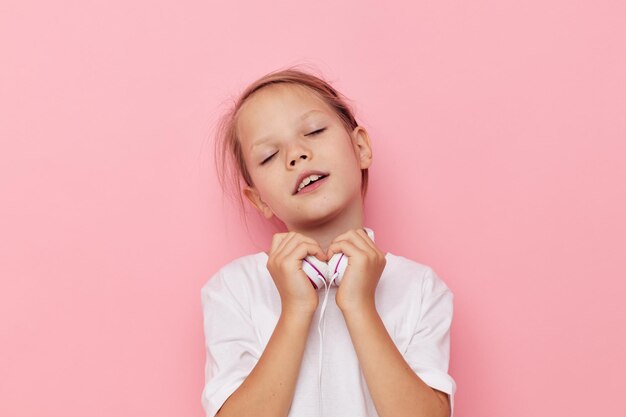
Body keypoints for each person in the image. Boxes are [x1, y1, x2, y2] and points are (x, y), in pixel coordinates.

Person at [201, 67, 456, 417]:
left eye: (315, 131)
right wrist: (294, 311)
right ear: (258, 199)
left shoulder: (420, 287)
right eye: (269, 156)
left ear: (361, 147)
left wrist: (360, 306)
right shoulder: (233, 289)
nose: (296, 154)